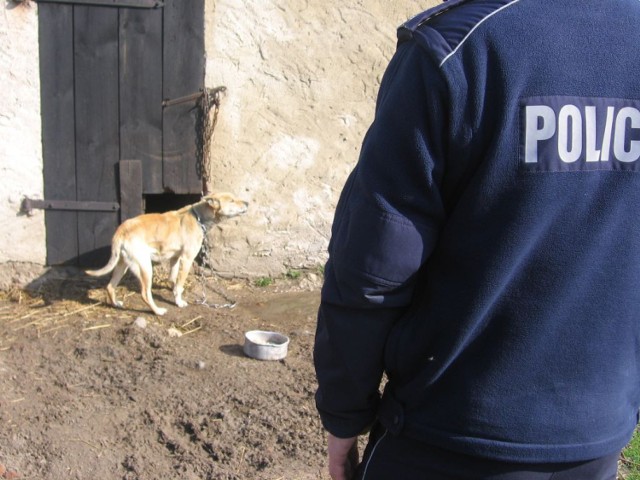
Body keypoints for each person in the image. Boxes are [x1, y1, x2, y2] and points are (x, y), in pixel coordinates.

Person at [313, 0, 640, 479]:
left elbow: (373, 263)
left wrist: (344, 412)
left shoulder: (460, 47)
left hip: (446, 437)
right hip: (594, 439)